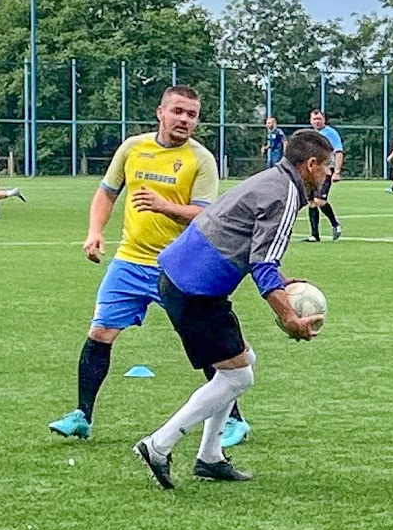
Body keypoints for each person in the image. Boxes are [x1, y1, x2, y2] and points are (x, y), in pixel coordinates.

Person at [47, 85, 255, 443]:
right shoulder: (132, 148)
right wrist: (95, 231)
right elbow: (106, 193)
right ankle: (83, 415)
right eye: (178, 111)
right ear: (160, 112)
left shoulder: (201, 159)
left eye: (191, 114)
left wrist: (164, 206)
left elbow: (205, 216)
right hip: (130, 260)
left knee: (204, 341)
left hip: (181, 266)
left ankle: (234, 421)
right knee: (100, 333)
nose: (184, 119)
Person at [133, 129, 331, 488]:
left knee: (240, 370)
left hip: (185, 279)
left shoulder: (273, 179)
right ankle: (158, 445)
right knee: (238, 376)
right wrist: (290, 319)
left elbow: (252, 247)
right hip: (196, 290)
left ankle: (210, 458)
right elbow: (263, 266)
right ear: (311, 165)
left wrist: (284, 285)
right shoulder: (286, 193)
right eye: (326, 167)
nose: (328, 175)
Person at [304, 109, 343, 242]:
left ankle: (335, 224)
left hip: (325, 171)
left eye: (319, 119)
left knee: (320, 201)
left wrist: (336, 171)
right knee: (311, 202)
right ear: (310, 120)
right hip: (312, 173)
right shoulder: (311, 135)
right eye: (314, 119)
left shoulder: (330, 133)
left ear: (324, 119)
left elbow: (338, 151)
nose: (317, 121)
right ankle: (314, 235)